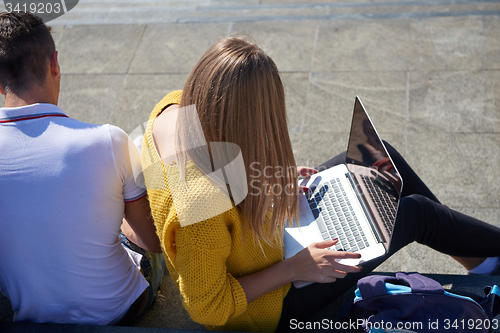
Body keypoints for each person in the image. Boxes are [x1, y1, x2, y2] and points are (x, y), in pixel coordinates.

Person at [141, 37, 500, 332]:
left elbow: (206, 168)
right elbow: (207, 308)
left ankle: (484, 262)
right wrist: (296, 268)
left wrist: (266, 180)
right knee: (416, 215)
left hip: (261, 238)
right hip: (266, 306)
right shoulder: (202, 202)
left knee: (378, 159)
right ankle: (490, 254)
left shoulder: (173, 109)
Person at [0, 12, 163, 325]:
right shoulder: (108, 140)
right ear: (54, 64)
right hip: (118, 310)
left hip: (33, 317)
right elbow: (152, 241)